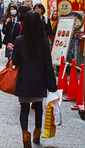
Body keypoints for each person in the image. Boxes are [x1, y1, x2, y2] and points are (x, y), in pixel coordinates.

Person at [12, 11, 58, 147]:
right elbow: (48, 65)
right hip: (39, 79)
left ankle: (25, 137)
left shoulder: (19, 40)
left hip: (24, 79)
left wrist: (13, 51)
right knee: (38, 108)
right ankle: (37, 135)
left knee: (24, 109)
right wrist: (52, 86)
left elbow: (15, 61)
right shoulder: (44, 41)